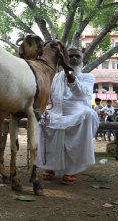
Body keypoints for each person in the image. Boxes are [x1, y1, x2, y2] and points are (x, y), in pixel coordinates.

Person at [37, 48, 100, 185]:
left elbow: (82, 94)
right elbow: (48, 95)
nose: (74, 59)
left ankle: (72, 170)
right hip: (56, 109)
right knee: (44, 118)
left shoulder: (88, 77)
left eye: (77, 56)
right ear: (65, 59)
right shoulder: (55, 76)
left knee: (88, 115)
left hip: (77, 109)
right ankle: (50, 167)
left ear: (82, 59)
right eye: (70, 56)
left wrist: (69, 75)